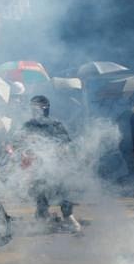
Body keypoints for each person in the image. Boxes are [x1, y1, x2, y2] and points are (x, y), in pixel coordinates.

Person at [11, 95, 82, 233]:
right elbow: (18, 144)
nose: (35, 110)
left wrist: (63, 157)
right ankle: (42, 218)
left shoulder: (55, 125)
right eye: (33, 106)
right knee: (40, 192)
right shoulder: (28, 126)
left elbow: (67, 145)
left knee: (62, 190)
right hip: (37, 166)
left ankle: (68, 217)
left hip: (56, 165)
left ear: (46, 108)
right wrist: (24, 153)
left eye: (38, 106)